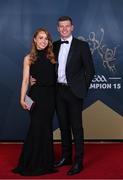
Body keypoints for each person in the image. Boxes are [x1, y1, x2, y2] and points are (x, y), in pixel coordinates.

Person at [12, 28, 58, 176]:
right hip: (36, 96)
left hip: (50, 96)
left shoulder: (53, 56)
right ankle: (31, 162)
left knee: (46, 129)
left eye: (46, 38)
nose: (43, 41)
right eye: (41, 38)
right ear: (34, 39)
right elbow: (26, 80)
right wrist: (21, 98)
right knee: (36, 128)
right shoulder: (29, 58)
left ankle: (46, 162)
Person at [53, 16, 95, 175]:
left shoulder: (82, 46)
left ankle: (78, 161)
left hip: (74, 92)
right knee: (63, 126)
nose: (64, 29)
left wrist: (82, 88)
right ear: (57, 28)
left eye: (67, 26)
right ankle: (66, 157)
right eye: (61, 26)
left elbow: (90, 70)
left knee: (76, 128)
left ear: (72, 27)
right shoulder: (54, 45)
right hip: (58, 91)